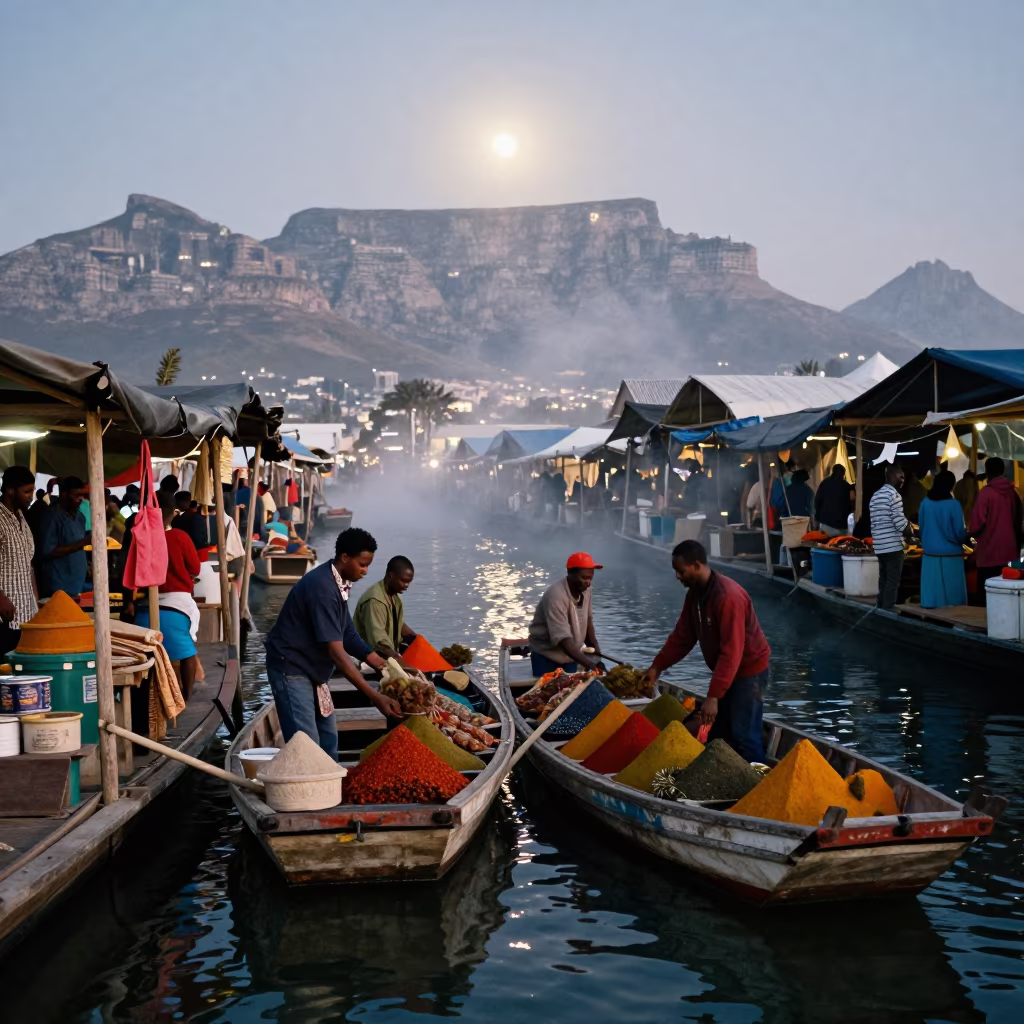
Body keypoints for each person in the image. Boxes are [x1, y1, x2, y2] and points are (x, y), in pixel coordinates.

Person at [264, 528, 402, 758]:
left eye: (368, 565)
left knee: (328, 739)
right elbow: (337, 652)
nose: (365, 571)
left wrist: (378, 662)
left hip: (315, 670)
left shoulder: (339, 583)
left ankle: (331, 790)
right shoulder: (322, 588)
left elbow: (346, 632)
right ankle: (308, 791)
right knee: (307, 745)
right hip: (292, 667)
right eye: (362, 564)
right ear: (345, 557)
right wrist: (374, 695)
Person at [640, 540, 770, 762]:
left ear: (697, 565)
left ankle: (757, 790)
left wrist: (713, 697)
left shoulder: (728, 597)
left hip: (749, 674)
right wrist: (657, 667)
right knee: (720, 734)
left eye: (680, 571)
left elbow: (732, 653)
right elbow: (683, 636)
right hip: (728, 673)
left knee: (744, 737)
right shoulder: (695, 595)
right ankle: (727, 782)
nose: (677, 577)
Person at [130, 492, 202, 698]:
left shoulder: (141, 538)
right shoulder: (180, 537)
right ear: (173, 514)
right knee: (188, 653)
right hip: (177, 607)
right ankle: (186, 695)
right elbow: (195, 569)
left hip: (144, 609)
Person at [528, 552, 607, 676]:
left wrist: (597, 658)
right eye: (584, 577)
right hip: (546, 656)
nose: (588, 582)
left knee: (570, 692)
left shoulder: (586, 589)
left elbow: (588, 621)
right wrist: (591, 665)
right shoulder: (556, 596)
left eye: (590, 578)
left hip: (571, 655)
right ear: (570, 574)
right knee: (548, 693)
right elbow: (563, 639)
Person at [0, 466, 38, 655]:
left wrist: (36, 603)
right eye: (26, 491)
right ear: (10, 490)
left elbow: (28, 565)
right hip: (4, 616)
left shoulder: (22, 517)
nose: (31, 496)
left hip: (26, 615)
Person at [917, 469, 969, 608]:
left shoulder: (925, 503)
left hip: (930, 555)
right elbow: (959, 532)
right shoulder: (954, 505)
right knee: (953, 601)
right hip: (951, 556)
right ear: (950, 485)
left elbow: (921, 529)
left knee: (932, 599)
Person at [970, 457, 1024, 588]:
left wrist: (970, 536)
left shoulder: (986, 493)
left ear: (987, 471)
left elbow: (977, 524)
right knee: (1007, 595)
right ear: (1003, 471)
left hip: (989, 554)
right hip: (1010, 554)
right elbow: (1019, 521)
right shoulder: (1014, 493)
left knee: (988, 597)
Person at [353, 555, 418, 660]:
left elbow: (399, 625)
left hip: (386, 656)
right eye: (403, 581)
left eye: (409, 582)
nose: (406, 585)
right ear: (391, 575)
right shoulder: (374, 601)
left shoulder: (395, 599)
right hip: (367, 659)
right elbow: (379, 643)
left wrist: (418, 641)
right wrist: (399, 660)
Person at [36, 475, 90, 599]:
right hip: (57, 587)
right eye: (76, 495)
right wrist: (82, 543)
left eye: (82, 495)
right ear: (64, 494)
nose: (80, 499)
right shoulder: (51, 516)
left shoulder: (80, 517)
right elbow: (47, 551)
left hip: (76, 585)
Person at [869, 464, 913, 610]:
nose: (903, 480)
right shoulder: (894, 496)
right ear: (892, 476)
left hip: (879, 546)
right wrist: (912, 530)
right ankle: (887, 610)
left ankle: (880, 607)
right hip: (893, 546)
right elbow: (900, 524)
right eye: (901, 477)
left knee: (884, 580)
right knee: (892, 581)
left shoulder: (875, 496)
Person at [814, 465, 853, 537]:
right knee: (840, 546)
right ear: (843, 473)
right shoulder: (846, 486)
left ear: (833, 471)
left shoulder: (825, 483)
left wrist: (817, 518)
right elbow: (852, 503)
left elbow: (817, 501)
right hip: (842, 524)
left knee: (826, 546)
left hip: (826, 522)